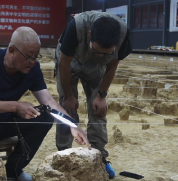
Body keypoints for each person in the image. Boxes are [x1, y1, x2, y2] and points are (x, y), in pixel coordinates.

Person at [0, 26, 91, 181]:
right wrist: (16, 106)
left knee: (44, 117)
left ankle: (13, 170)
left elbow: (48, 101)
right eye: (28, 56)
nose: (32, 62)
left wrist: (72, 125)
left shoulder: (32, 70)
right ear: (12, 50)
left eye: (35, 56)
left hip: (2, 122)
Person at [54, 11, 132, 179]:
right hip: (70, 64)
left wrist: (101, 96)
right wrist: (68, 96)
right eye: (97, 50)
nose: (100, 55)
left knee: (99, 110)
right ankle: (63, 155)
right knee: (67, 109)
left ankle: (99, 158)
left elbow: (111, 67)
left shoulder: (123, 35)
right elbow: (63, 63)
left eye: (106, 52)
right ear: (89, 35)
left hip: (98, 69)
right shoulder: (76, 27)